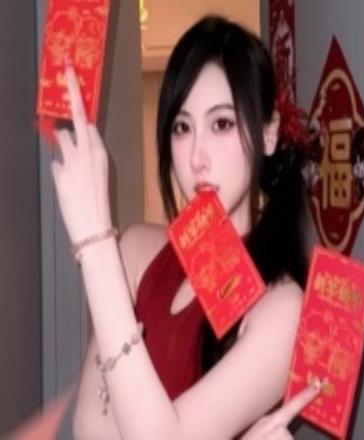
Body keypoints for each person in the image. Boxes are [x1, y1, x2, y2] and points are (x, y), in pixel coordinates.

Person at [51, 15, 318, 439]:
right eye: (182, 127)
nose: (196, 157)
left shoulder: (282, 306)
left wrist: (96, 244)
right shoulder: (135, 251)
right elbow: (88, 428)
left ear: (269, 133)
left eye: (222, 124)